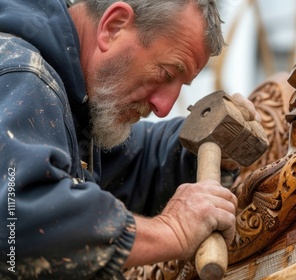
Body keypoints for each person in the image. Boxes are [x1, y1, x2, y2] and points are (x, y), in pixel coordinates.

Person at [0, 0, 257, 278]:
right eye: (167, 73)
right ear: (113, 27)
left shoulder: (77, 103)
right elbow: (14, 216)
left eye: (179, 85)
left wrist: (203, 151)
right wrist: (173, 230)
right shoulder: (20, 74)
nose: (164, 107)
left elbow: (132, 164)